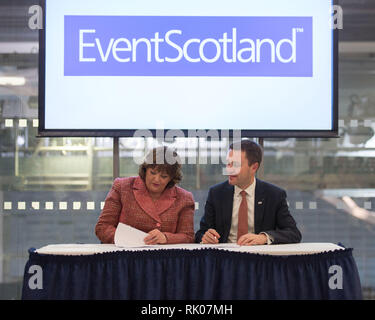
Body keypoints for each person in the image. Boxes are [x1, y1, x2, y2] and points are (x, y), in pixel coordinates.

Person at [195, 139, 301, 245]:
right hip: (225, 257)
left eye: (235, 165)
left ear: (254, 167)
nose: (229, 170)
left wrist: (264, 237)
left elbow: (293, 233)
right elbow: (201, 233)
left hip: (260, 257)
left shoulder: (274, 195)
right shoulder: (216, 193)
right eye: (228, 164)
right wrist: (205, 237)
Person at [95, 146, 195, 245]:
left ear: (172, 178)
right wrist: (129, 239)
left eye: (163, 176)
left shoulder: (184, 198)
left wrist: (166, 238)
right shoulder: (122, 187)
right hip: (124, 256)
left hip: (163, 258)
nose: (156, 179)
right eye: (152, 173)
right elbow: (102, 227)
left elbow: (188, 236)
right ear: (145, 169)